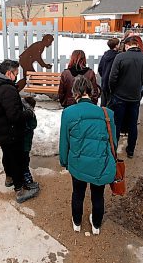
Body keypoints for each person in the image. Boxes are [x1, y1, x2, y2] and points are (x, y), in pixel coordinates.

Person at [59, 75, 116, 235]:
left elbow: (64, 142)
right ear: (91, 92)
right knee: (98, 196)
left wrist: (64, 161)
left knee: (78, 193)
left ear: (75, 92)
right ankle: (96, 225)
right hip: (101, 164)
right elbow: (114, 143)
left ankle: (77, 222)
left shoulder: (68, 113)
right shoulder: (107, 114)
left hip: (77, 164)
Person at [0, 59, 39, 203]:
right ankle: (20, 189)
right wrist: (29, 112)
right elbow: (15, 116)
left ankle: (9, 177)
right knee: (16, 159)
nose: (16, 76)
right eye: (15, 73)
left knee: (7, 154)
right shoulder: (7, 89)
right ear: (9, 73)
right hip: (8, 133)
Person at [108, 36, 143, 158]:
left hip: (120, 96)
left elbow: (112, 78)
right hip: (135, 98)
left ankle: (114, 150)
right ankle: (131, 150)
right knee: (133, 124)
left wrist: (114, 91)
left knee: (117, 124)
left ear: (127, 45)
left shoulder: (120, 57)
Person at [98, 38, 120, 106]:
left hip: (104, 82)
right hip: (113, 84)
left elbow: (100, 68)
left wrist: (104, 75)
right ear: (116, 46)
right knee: (111, 105)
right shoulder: (117, 57)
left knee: (103, 103)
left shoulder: (105, 55)